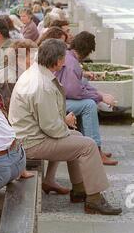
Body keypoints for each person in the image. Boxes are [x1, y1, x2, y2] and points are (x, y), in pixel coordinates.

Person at [9, 39, 122, 216]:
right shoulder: (42, 85)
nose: (66, 61)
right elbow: (52, 128)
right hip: (32, 143)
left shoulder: (37, 73)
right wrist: (65, 124)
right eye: (64, 57)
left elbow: (46, 121)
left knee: (77, 138)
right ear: (58, 61)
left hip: (29, 137)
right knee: (88, 145)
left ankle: (78, 190)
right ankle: (94, 199)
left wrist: (66, 128)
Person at [55, 32, 119, 166]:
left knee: (89, 101)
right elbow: (74, 92)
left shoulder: (69, 57)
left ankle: (90, 146)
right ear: (87, 50)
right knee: (89, 105)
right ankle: (95, 149)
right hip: (58, 103)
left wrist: (99, 95)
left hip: (57, 99)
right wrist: (100, 97)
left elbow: (77, 86)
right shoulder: (72, 63)